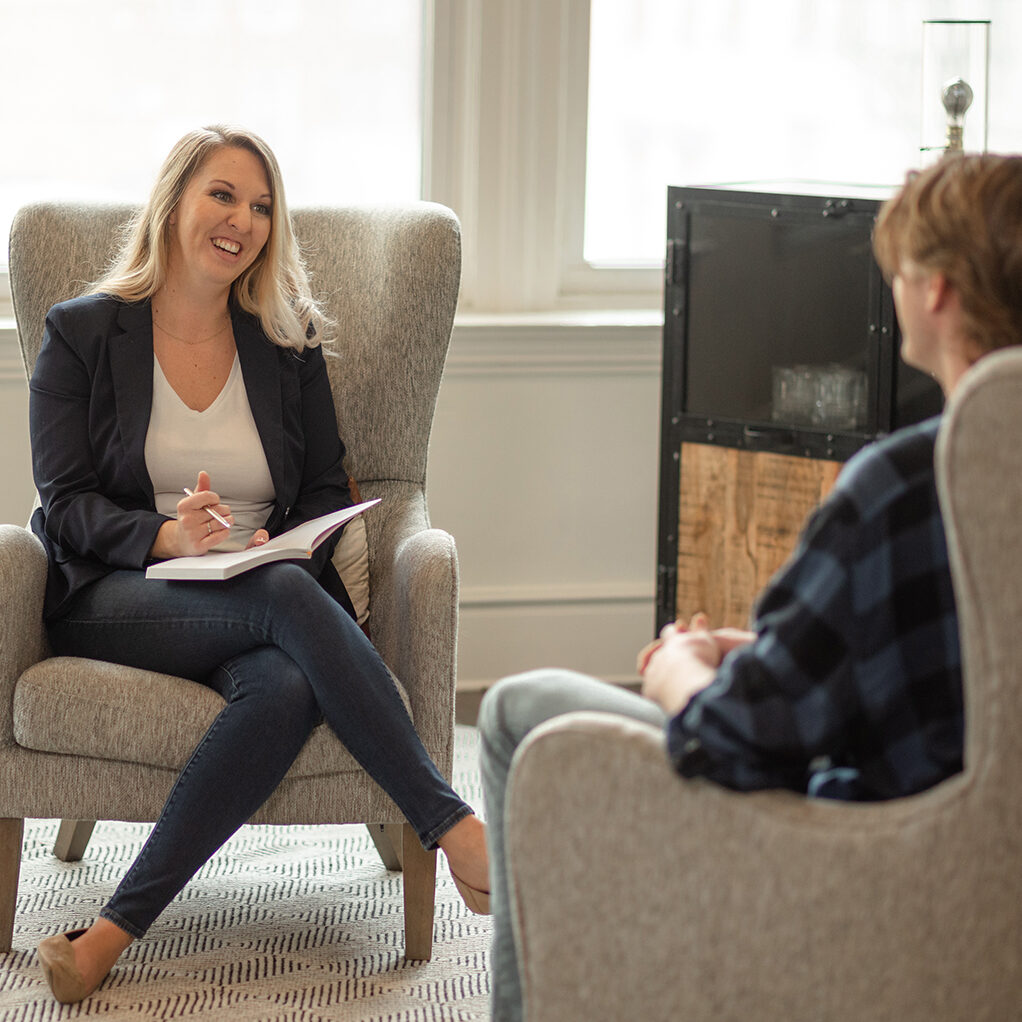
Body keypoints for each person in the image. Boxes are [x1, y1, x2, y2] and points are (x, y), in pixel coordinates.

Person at [477, 151, 1022, 1022]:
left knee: (511, 713)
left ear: (940, 292)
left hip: (864, 870)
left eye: (901, 268)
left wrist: (679, 668)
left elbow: (735, 740)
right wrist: (778, 651)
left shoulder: (902, 485)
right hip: (988, 888)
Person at [30, 125, 489, 1005]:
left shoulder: (287, 341)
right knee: (278, 594)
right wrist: (168, 538)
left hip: (254, 587)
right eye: (224, 195)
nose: (244, 219)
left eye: (263, 206)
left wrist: (277, 544)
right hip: (121, 590)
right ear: (174, 203)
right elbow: (64, 499)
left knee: (280, 686)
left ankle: (105, 938)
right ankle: (450, 822)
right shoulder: (82, 332)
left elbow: (320, 488)